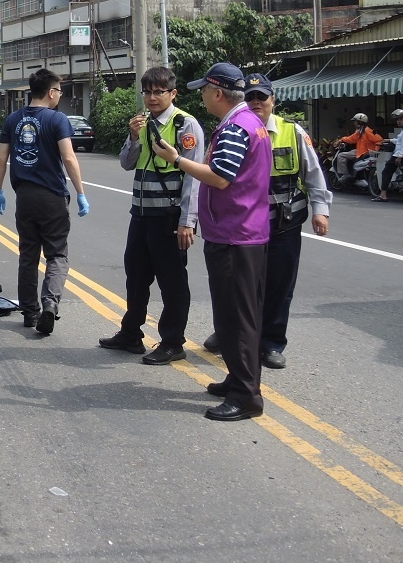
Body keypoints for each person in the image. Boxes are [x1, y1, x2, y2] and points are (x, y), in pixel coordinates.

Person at [152, 62, 272, 422]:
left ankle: (246, 394)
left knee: (236, 318)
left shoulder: (237, 127)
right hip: (243, 231)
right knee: (236, 314)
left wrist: (177, 159)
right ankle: (238, 379)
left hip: (236, 235)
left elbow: (220, 178)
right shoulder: (250, 122)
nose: (202, 95)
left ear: (217, 93)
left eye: (205, 89)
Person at [205, 74, 331, 369]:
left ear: (273, 100)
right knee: (241, 287)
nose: (257, 102)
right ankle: (232, 337)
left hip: (283, 225)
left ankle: (272, 342)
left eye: (262, 96)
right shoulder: (234, 129)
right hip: (246, 227)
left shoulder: (291, 132)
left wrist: (320, 209)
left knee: (279, 285)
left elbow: (313, 174)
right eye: (250, 97)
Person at [99, 66, 204, 364]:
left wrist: (188, 221)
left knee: (172, 281)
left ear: (173, 93)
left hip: (169, 217)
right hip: (142, 214)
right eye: (148, 92)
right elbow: (126, 163)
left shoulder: (186, 125)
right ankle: (131, 333)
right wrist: (133, 137)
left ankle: (173, 341)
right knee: (136, 275)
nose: (153, 97)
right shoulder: (142, 124)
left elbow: (193, 178)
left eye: (159, 92)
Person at [0, 68, 89, 336]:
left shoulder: (13, 119)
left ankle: (29, 312)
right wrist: (80, 193)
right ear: (50, 92)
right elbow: (69, 158)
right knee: (57, 254)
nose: (59, 95)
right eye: (59, 90)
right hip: (52, 197)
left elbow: (2, 159)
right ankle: (50, 302)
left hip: (24, 197)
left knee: (28, 255)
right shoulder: (57, 119)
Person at [374, 109, 403, 202]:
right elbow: (400, 141)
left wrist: (400, 157)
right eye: (397, 120)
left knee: (386, 172)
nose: (398, 121)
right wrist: (389, 140)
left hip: (401, 155)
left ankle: (383, 195)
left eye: (401, 119)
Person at [334, 113, 382, 180]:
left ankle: (346, 175)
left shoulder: (367, 131)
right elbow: (351, 139)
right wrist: (341, 140)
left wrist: (375, 151)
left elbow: (379, 140)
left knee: (341, 156)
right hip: (361, 151)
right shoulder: (360, 131)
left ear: (359, 122)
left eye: (355, 121)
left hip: (364, 152)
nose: (354, 123)